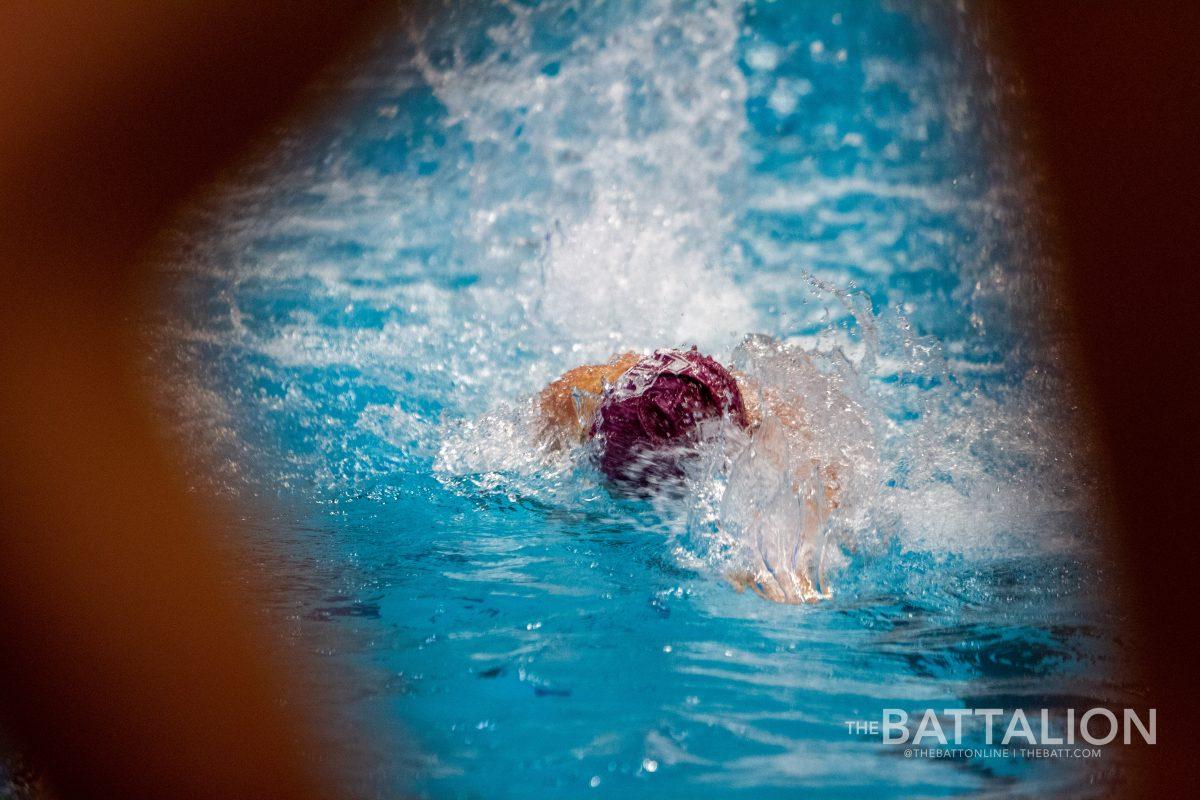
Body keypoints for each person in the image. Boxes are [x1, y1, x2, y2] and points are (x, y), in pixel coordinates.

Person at [538, 346, 837, 602]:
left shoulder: (749, 416)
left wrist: (806, 525)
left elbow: (822, 461)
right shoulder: (573, 403)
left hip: (697, 381)